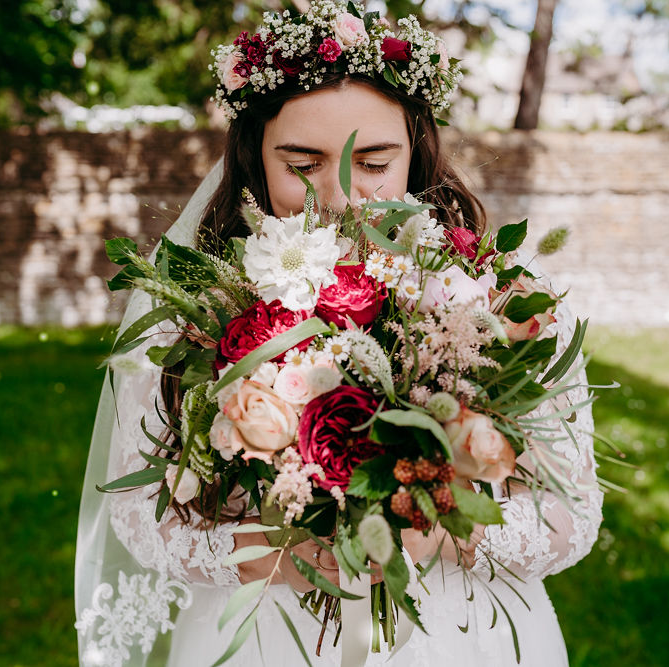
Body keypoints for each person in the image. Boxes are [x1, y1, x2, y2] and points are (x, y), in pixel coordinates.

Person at [75, 3, 603, 666]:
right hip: (263, 633)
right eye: (302, 163)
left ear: (419, 154)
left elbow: (571, 518)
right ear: (251, 159)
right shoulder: (197, 310)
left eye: (377, 161)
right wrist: (276, 548)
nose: (341, 194)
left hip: (458, 633)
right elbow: (141, 519)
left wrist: (436, 535)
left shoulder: (501, 300)